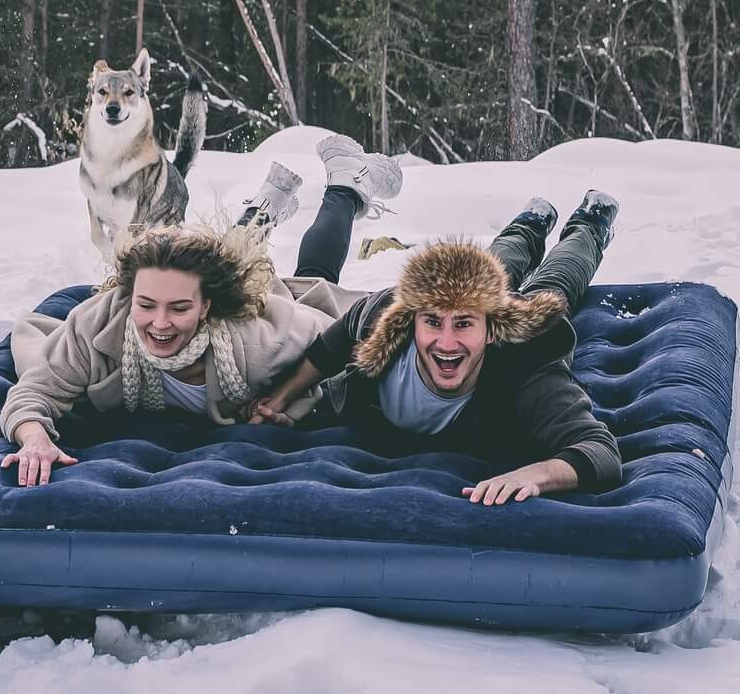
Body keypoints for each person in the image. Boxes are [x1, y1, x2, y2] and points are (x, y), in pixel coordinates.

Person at [0, 135, 403, 484]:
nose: (159, 323)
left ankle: (346, 185)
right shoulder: (104, 323)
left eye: (178, 308)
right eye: (146, 304)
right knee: (218, 259)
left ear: (206, 307)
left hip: (270, 306)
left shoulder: (259, 341)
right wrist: (35, 438)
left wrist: (281, 401)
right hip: (218, 280)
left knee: (314, 274)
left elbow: (333, 339)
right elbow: (37, 390)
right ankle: (265, 207)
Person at [246, 191, 624, 504]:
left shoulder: (525, 366)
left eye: (463, 325)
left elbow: (599, 451)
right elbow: (334, 342)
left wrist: (540, 474)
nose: (446, 343)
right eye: (431, 323)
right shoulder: (386, 319)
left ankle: (590, 224)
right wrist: (280, 400)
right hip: (468, 302)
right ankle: (530, 224)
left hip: (519, 334)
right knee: (492, 265)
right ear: (411, 320)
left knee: (553, 287)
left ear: (492, 331)